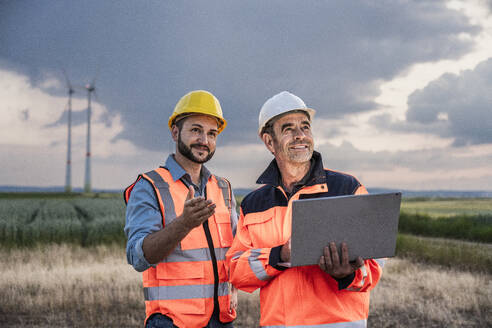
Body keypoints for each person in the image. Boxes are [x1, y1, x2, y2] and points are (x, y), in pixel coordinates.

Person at [226, 91, 385, 327]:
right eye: (288, 129)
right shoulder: (254, 204)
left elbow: (375, 265)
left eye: (305, 127)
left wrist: (347, 274)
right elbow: (236, 271)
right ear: (270, 142)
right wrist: (280, 255)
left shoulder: (347, 189)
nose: (300, 136)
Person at [124, 90, 238, 328]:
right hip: (172, 322)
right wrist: (183, 224)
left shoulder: (223, 188)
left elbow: (237, 253)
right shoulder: (150, 186)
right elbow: (138, 257)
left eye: (211, 133)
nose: (204, 141)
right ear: (175, 132)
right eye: (196, 130)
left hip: (222, 320)